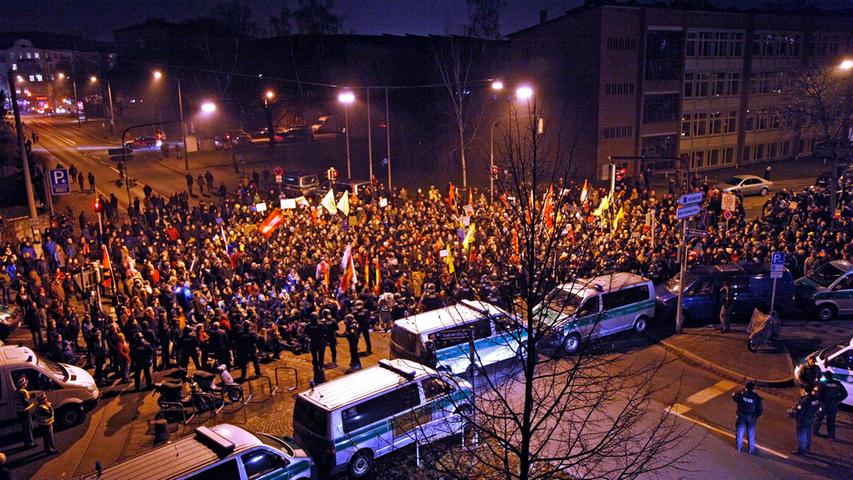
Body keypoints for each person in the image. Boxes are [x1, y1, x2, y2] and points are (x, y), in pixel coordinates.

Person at [813, 371, 848, 440]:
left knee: (819, 418)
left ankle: (815, 432)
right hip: (834, 405)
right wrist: (838, 400)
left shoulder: (823, 384)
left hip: (824, 404)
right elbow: (845, 394)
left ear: (825, 377)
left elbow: (818, 395)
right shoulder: (838, 383)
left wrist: (817, 404)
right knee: (831, 420)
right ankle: (831, 436)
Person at [732, 381, 763, 453]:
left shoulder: (741, 394)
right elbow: (760, 410)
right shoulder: (756, 397)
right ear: (753, 388)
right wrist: (755, 416)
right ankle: (751, 449)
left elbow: (735, 398)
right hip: (751, 417)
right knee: (750, 432)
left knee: (739, 431)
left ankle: (739, 447)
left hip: (741, 415)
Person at [788, 387, 820, 455]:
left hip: (803, 420)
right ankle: (807, 448)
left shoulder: (805, 401)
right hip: (810, 419)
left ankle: (801, 450)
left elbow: (799, 410)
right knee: (808, 434)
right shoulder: (815, 399)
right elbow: (817, 407)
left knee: (801, 435)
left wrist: (793, 413)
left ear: (804, 391)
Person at [14, 376, 36, 448]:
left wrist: (29, 396)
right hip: (25, 412)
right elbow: (26, 403)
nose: (26, 384)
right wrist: (33, 402)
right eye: (26, 383)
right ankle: (30, 443)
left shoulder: (17, 390)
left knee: (25, 428)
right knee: (28, 427)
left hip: (20, 412)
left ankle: (27, 442)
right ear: (23, 385)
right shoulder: (22, 392)